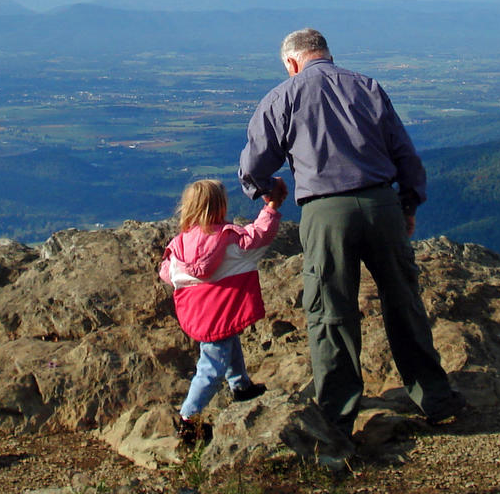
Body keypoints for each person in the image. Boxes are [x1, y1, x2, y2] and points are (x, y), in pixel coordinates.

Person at [238, 28, 463, 436]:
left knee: (330, 313)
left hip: (325, 213)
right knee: (403, 303)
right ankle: (437, 399)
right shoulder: (367, 87)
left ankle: (337, 419)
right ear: (325, 53)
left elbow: (253, 166)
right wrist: (407, 205)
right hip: (382, 205)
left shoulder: (282, 98)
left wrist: (269, 191)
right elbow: (404, 153)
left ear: (292, 62)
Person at [158, 177, 286, 445]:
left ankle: (241, 386)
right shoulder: (230, 242)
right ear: (220, 207)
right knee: (211, 366)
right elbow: (261, 234)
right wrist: (272, 206)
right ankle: (188, 419)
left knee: (228, 340)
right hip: (220, 312)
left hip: (198, 315)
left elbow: (167, 274)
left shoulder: (179, 246)